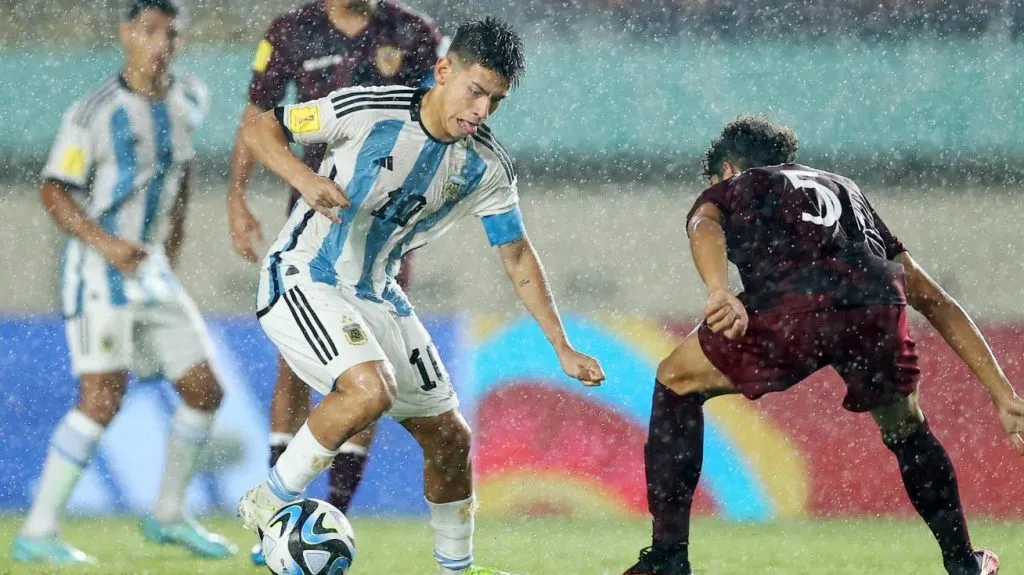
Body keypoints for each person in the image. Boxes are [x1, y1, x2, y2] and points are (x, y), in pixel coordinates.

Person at [236, 16, 606, 575]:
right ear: (442, 71)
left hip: (378, 292)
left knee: (451, 439)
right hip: (304, 276)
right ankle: (266, 500)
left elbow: (517, 255)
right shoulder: (365, 109)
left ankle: (456, 569)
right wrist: (303, 179)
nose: (482, 110)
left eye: (496, 101)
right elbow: (262, 125)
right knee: (368, 393)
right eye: (475, 91)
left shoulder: (484, 164)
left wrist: (562, 346)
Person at [622, 116, 1024, 575]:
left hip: (794, 304)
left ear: (728, 169)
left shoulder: (737, 185)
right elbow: (931, 296)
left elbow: (703, 226)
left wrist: (718, 290)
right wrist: (1002, 393)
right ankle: (963, 563)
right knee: (906, 427)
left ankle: (668, 559)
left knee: (675, 381)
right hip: (874, 302)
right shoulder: (844, 188)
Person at [11, 0, 237, 564]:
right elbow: (53, 190)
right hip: (99, 272)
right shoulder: (94, 112)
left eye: (170, 32)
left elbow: (179, 180)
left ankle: (167, 514)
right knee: (102, 399)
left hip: (154, 273)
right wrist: (109, 243)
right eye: (149, 30)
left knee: (205, 390)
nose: (160, 42)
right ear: (126, 34)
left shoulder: (190, 99)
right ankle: (36, 531)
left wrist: (172, 253)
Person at [224, 3, 442, 556]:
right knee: (295, 367)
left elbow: (437, 116)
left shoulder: (413, 33)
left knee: (371, 369)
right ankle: (275, 523)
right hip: (312, 218)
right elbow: (257, 117)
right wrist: (236, 198)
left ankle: (329, 518)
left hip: (381, 231)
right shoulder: (290, 32)